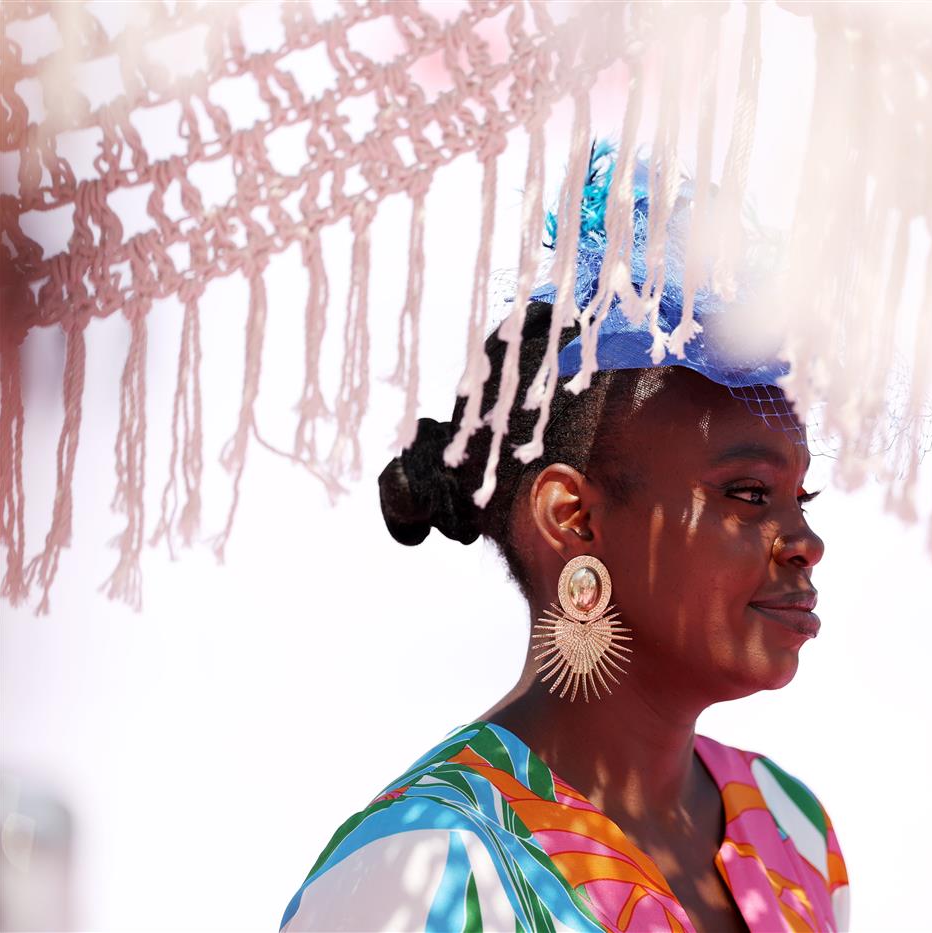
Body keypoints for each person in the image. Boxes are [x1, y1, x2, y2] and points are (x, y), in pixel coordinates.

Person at [280, 150, 850, 932]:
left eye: (801, 496)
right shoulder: (426, 869)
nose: (805, 541)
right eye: (748, 495)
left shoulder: (794, 832)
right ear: (572, 520)